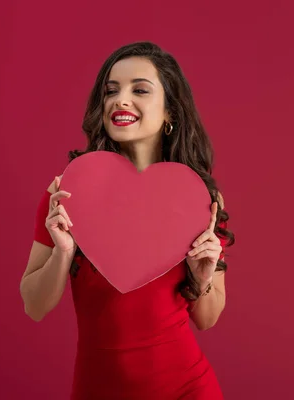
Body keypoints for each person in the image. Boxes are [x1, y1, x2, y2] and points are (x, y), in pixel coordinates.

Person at [19, 41, 235, 399]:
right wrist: (63, 252)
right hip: (98, 388)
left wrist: (203, 277)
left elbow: (207, 319)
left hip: (187, 389)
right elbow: (34, 306)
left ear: (170, 113)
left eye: (139, 90)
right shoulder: (67, 194)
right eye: (111, 90)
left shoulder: (199, 200)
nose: (120, 100)